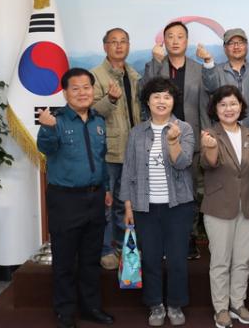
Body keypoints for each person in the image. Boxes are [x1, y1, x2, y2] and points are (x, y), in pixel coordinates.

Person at [37, 68, 114, 328]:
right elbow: (46, 148)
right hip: (65, 200)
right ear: (65, 93)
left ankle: (91, 308)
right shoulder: (56, 120)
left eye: (86, 87)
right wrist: (47, 128)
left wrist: (106, 189)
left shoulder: (98, 121)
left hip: (95, 197)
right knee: (65, 260)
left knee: (91, 258)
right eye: (76, 88)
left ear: (93, 90)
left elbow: (101, 159)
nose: (82, 93)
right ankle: (65, 311)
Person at [120, 77, 196, 327]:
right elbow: (128, 170)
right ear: (148, 102)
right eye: (156, 96)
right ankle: (155, 304)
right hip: (145, 206)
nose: (161, 101)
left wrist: (173, 141)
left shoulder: (184, 128)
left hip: (178, 206)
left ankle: (175, 304)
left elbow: (183, 163)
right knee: (150, 258)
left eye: (167, 97)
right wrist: (128, 206)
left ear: (173, 101)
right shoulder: (136, 132)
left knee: (177, 259)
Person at [141, 20, 210, 260]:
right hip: (158, 137)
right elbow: (144, 92)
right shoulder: (155, 65)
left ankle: (189, 237)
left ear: (187, 41)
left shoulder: (198, 69)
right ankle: (163, 239)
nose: (175, 41)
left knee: (191, 191)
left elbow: (205, 102)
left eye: (180, 36)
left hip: (190, 137)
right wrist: (156, 62)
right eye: (170, 36)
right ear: (164, 41)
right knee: (162, 190)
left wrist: (205, 134)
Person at [200, 85, 249, 328]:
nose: (228, 109)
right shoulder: (210, 135)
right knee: (220, 261)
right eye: (223, 104)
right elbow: (208, 164)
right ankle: (221, 308)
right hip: (219, 207)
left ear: (241, 106)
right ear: (215, 109)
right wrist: (210, 148)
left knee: (242, 260)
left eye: (233, 104)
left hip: (248, 206)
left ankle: (238, 304)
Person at [90, 27, 141, 270]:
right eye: (114, 41)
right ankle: (106, 249)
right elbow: (91, 112)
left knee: (125, 202)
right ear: (105, 46)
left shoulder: (134, 75)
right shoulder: (96, 75)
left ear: (128, 46)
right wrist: (110, 99)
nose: (119, 46)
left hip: (132, 150)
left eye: (123, 41)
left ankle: (122, 245)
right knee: (107, 204)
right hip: (109, 150)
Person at [197, 27, 249, 130]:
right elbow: (210, 87)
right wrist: (208, 61)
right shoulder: (216, 70)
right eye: (231, 43)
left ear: (247, 45)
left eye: (240, 42)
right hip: (222, 134)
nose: (236, 46)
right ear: (225, 48)